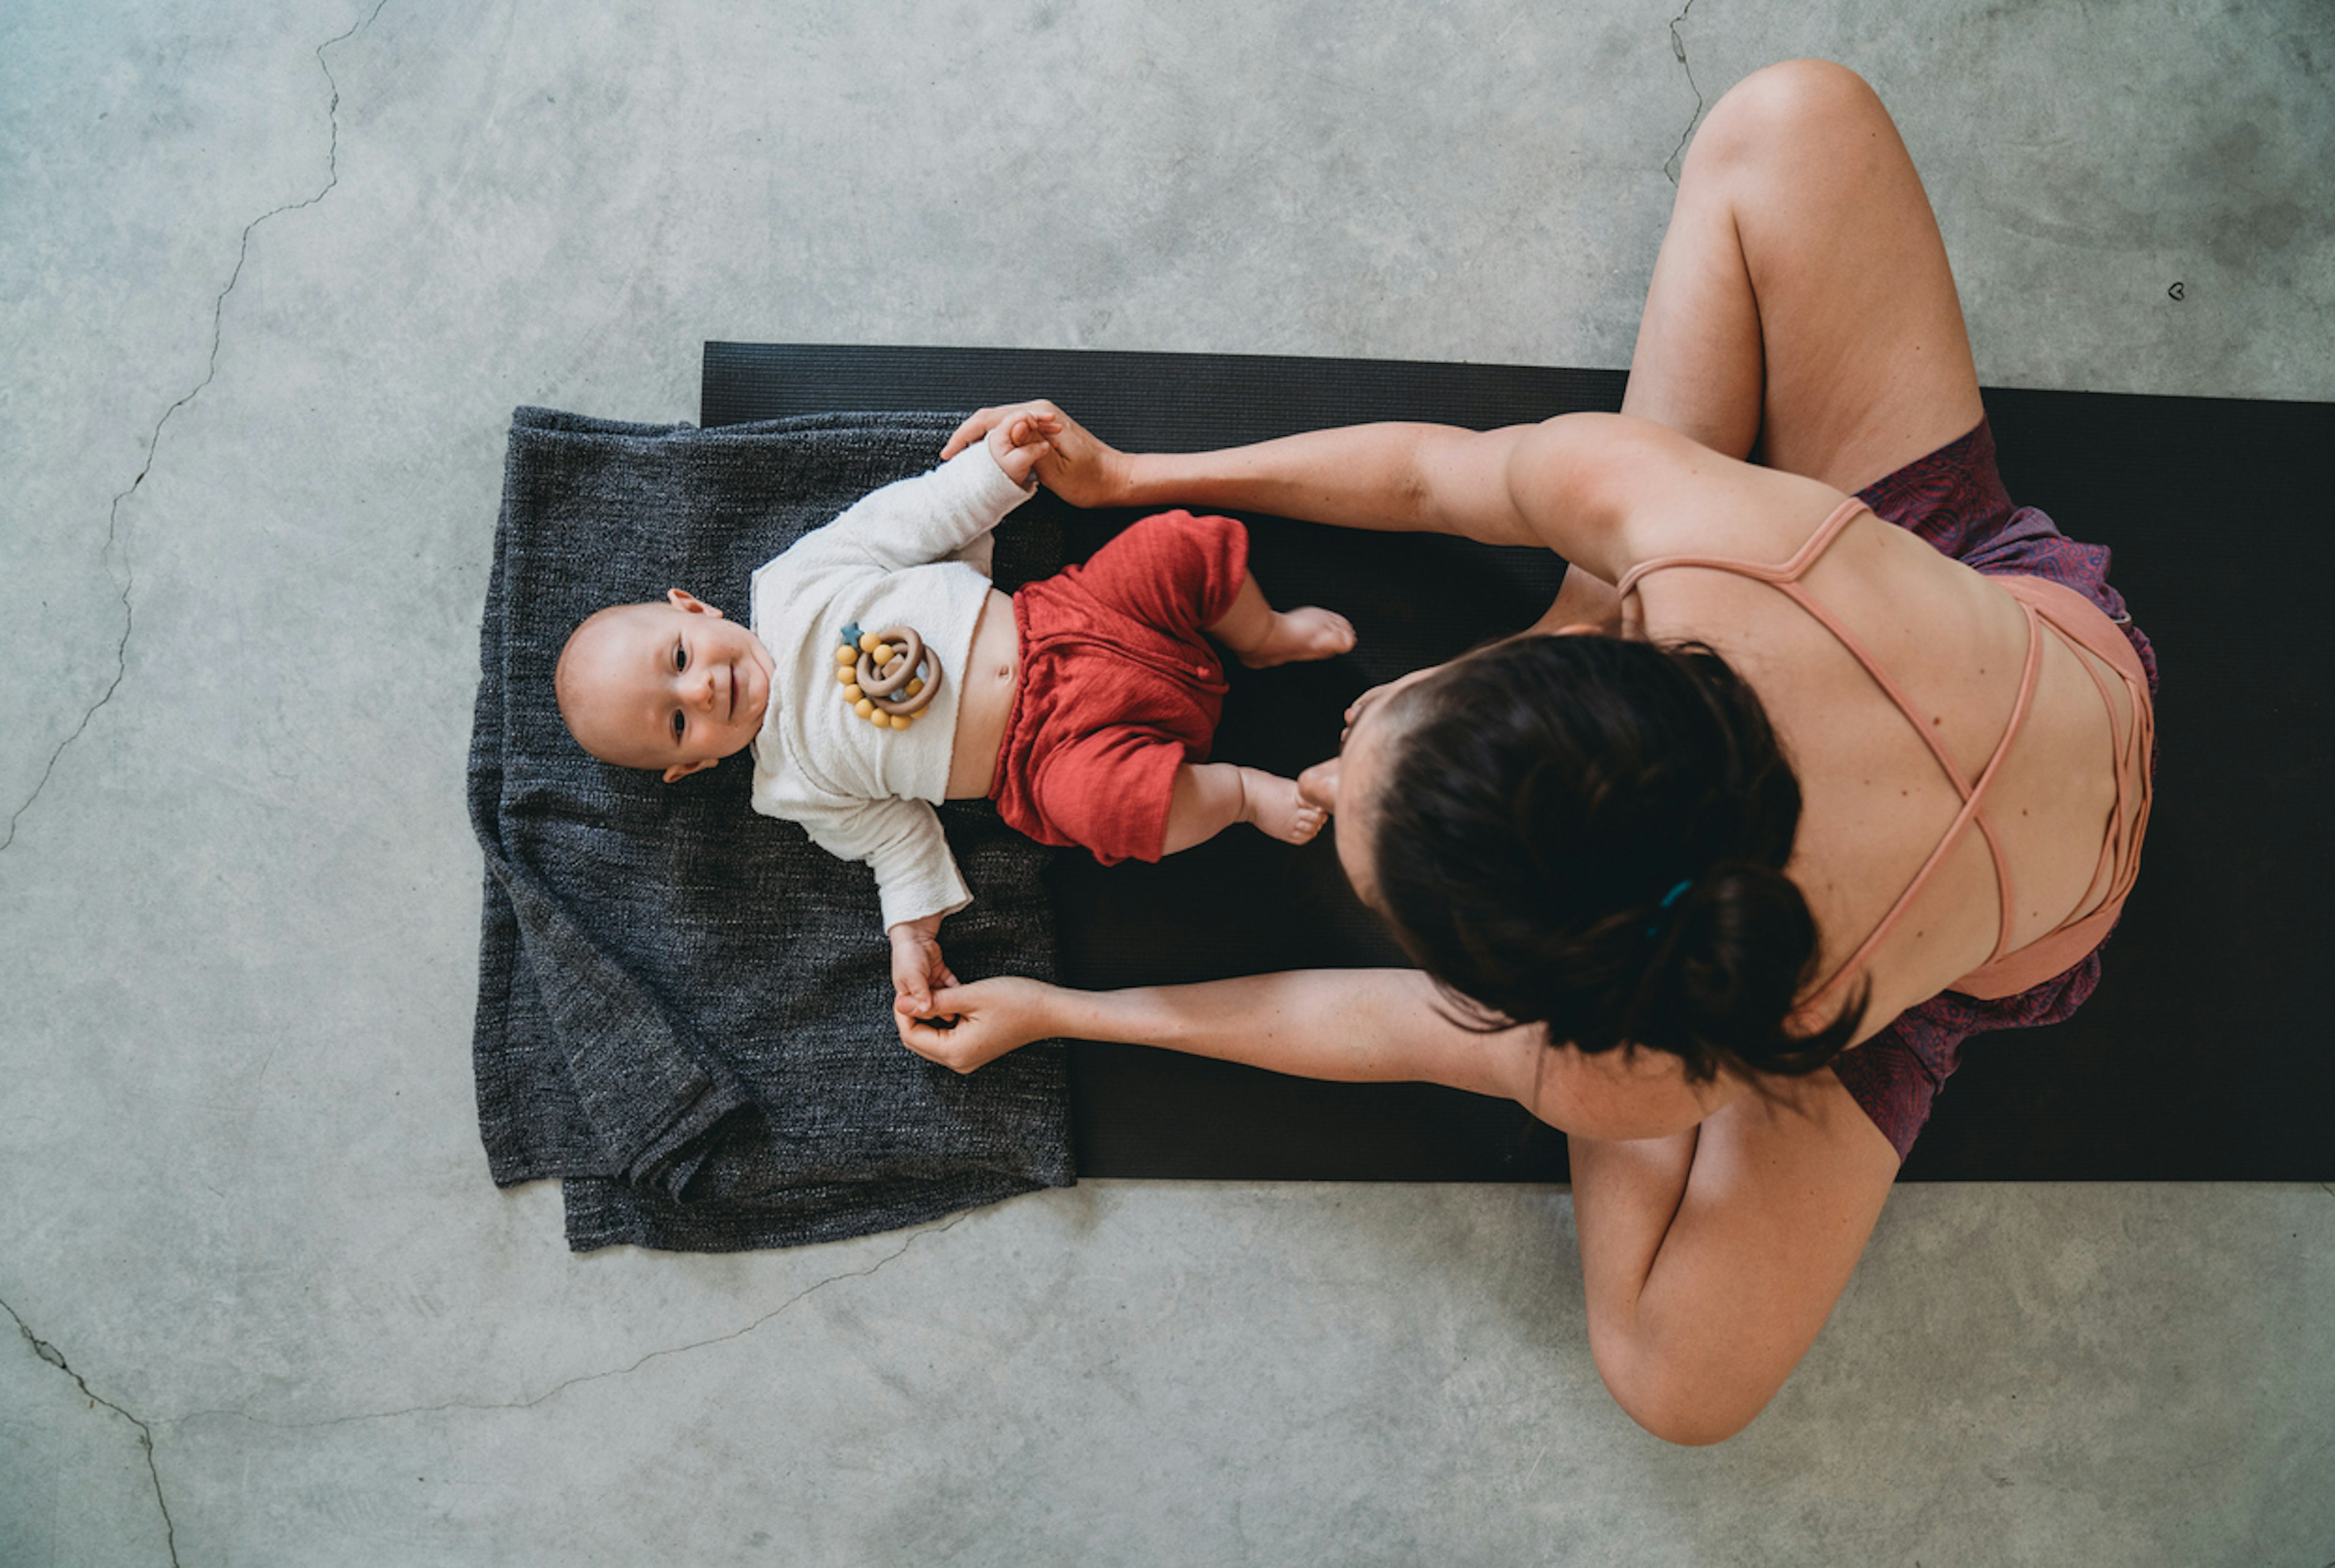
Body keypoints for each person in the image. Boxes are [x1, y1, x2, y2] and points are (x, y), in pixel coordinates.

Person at [891, 59, 2156, 1446]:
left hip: (2002, 933)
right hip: (1996, 618)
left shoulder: (1643, 1064)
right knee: (1788, 116)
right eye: (1389, 715)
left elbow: (1376, 1032)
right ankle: (1565, 619)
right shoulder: (1693, 530)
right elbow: (1439, 475)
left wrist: (1074, 1014)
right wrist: (1142, 480)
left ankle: (1563, 657)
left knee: (1673, 1381)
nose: (1353, 720)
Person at [554, 409, 1356, 1020]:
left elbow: (910, 521)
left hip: (1070, 615)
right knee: (1117, 813)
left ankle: (1262, 634)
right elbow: (894, 838)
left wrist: (995, 474)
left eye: (681, 660)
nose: (701, 693)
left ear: (695, 609)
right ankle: (1245, 793)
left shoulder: (793, 584)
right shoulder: (790, 783)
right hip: (1044, 758)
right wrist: (912, 933)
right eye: (678, 724)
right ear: (694, 764)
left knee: (1183, 546)